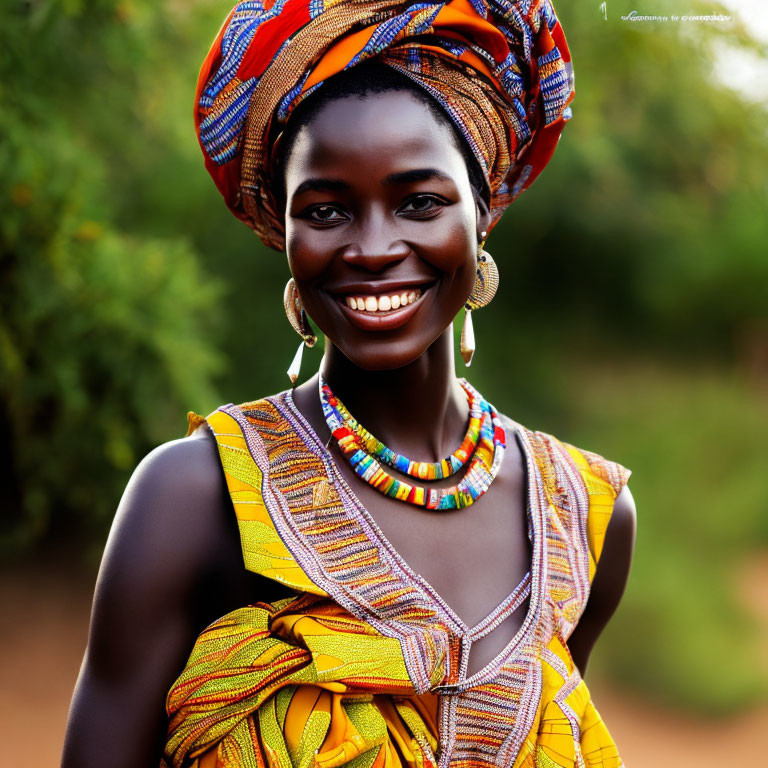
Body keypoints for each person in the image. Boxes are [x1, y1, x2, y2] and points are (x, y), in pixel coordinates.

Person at [62, 1, 637, 767]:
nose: (372, 248)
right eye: (328, 210)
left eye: (420, 202)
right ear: (286, 235)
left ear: (482, 215)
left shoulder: (586, 517)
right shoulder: (195, 496)